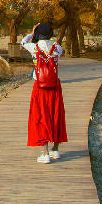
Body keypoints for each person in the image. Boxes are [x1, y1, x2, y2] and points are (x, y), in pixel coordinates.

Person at [21, 21, 66, 163]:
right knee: (56, 115)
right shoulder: (57, 48)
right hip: (55, 87)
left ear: (38, 34)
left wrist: (32, 33)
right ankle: (56, 150)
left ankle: (45, 153)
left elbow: (23, 42)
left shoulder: (33, 48)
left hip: (40, 86)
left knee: (41, 117)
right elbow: (58, 47)